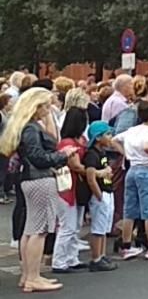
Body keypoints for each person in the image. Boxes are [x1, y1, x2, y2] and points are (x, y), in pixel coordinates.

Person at [0, 88, 79, 293]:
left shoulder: (23, 126)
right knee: (39, 229)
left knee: (30, 229)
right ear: (36, 106)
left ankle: (28, 275)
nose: (49, 108)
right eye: (45, 104)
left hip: (29, 179)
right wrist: (63, 156)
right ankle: (33, 277)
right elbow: (39, 157)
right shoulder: (32, 129)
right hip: (40, 179)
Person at [113, 99, 148, 261]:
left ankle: (126, 246)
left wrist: (126, 154)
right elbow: (147, 146)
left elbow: (114, 140)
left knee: (130, 210)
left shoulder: (132, 130)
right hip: (146, 170)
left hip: (132, 170)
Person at [52, 106, 89, 274]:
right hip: (67, 188)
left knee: (74, 225)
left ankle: (71, 258)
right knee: (68, 226)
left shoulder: (70, 141)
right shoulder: (69, 144)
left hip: (72, 187)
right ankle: (59, 261)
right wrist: (90, 171)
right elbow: (75, 165)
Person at [83, 121, 118, 271]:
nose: (110, 137)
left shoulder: (103, 152)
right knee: (98, 227)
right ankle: (96, 257)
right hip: (101, 193)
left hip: (108, 190)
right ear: (98, 137)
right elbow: (91, 177)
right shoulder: (92, 155)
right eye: (107, 134)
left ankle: (102, 255)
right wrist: (98, 195)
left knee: (104, 227)